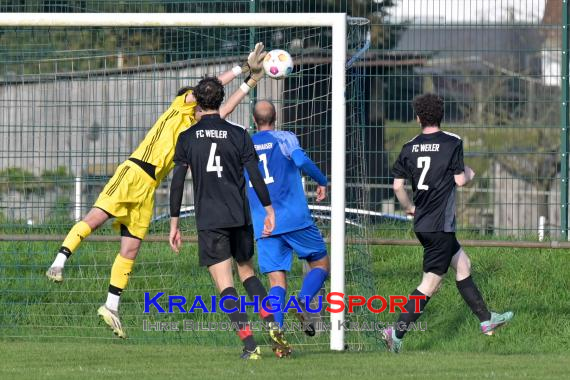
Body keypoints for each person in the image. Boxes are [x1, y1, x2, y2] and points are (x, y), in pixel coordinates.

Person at [45, 42, 268, 340]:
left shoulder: (196, 129)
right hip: (135, 171)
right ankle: (59, 262)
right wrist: (241, 67)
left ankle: (111, 306)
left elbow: (223, 107)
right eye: (197, 101)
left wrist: (252, 80)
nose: (199, 105)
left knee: (132, 247)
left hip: (149, 188)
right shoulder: (179, 106)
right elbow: (207, 90)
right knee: (96, 218)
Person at [382, 93, 513, 353]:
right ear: (441, 116)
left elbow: (397, 185)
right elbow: (461, 180)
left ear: (418, 117)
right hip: (440, 225)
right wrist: (470, 172)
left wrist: (409, 208)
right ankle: (395, 333)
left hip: (424, 224)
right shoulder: (452, 142)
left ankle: (486, 319)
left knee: (463, 264)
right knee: (430, 284)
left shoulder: (409, 146)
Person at [168, 79, 289, 360]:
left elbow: (176, 183)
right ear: (222, 100)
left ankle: (250, 346)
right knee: (247, 272)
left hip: (210, 220)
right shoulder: (239, 133)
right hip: (239, 215)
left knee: (225, 285)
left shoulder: (187, 137)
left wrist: (174, 223)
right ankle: (272, 324)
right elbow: (255, 175)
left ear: (197, 101)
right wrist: (269, 210)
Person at [245, 100, 329, 339]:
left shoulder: (246, 145)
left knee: (276, 283)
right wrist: (322, 181)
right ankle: (303, 300)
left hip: (265, 223)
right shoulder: (284, 137)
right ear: (275, 118)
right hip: (295, 218)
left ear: (254, 121)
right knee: (321, 265)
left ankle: (278, 334)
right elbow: (301, 161)